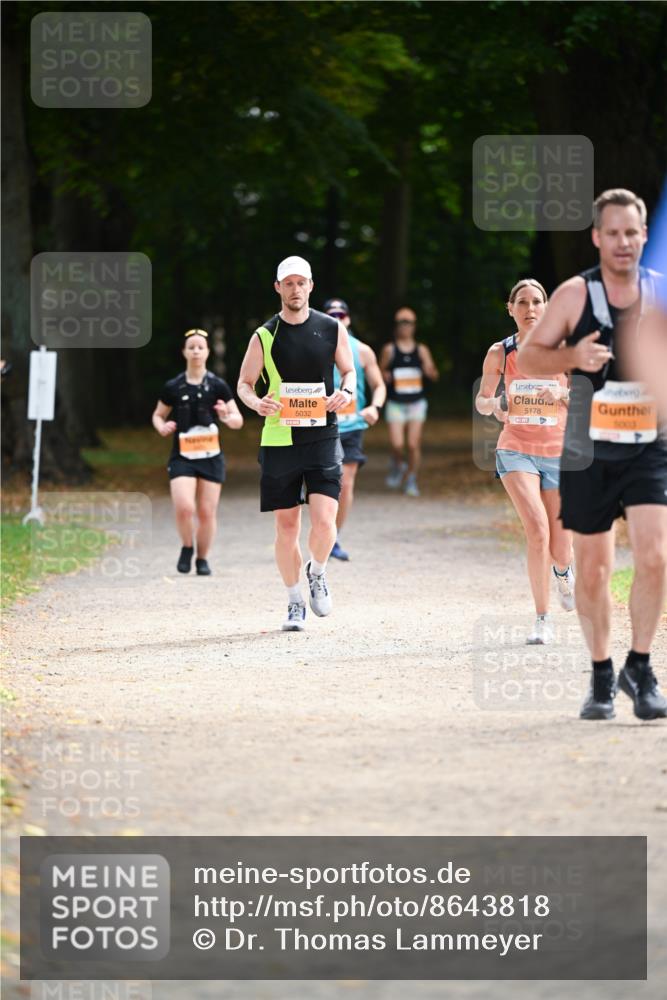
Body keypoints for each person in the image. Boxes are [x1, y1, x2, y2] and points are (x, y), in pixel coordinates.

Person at [519, 188, 667, 721]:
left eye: (633, 233)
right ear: (597, 237)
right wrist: (572, 355)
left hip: (649, 444)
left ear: (645, 236)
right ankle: (602, 675)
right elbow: (531, 360)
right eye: (613, 233)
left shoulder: (661, 292)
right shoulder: (574, 296)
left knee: (655, 555)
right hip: (587, 448)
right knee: (595, 569)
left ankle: (642, 667)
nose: (624, 242)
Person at [237, 256, 355, 631]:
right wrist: (257, 402)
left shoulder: (330, 328)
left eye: (300, 282)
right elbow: (244, 383)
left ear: (310, 286)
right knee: (287, 527)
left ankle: (316, 571)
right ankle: (293, 601)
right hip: (279, 437)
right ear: (277, 288)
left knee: (324, 521)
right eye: (287, 283)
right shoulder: (264, 335)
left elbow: (349, 371)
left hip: (322, 432)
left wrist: (346, 391)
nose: (294, 289)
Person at [476, 279, 575, 644]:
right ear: (511, 308)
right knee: (537, 530)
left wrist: (561, 392)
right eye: (522, 302)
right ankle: (542, 617)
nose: (530, 308)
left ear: (546, 308)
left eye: (537, 302)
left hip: (558, 452)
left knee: (560, 546)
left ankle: (564, 572)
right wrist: (495, 405)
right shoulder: (499, 353)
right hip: (515, 448)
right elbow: (483, 400)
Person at [152, 329, 243, 575]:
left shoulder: (217, 385)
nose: (195, 351)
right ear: (184, 352)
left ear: (207, 352)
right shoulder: (173, 386)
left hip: (211, 457)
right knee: (184, 507)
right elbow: (158, 415)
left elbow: (238, 420)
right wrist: (163, 426)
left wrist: (225, 415)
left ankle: (202, 559)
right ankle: (187, 546)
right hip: (182, 455)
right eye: (191, 347)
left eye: (200, 347)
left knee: (206, 511)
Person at [323, 297, 387, 561]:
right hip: (320, 426)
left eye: (341, 315)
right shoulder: (315, 346)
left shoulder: (362, 351)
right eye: (331, 316)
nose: (337, 320)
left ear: (348, 319)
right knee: (322, 484)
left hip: (351, 427)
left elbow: (380, 386)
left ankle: (333, 538)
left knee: (345, 484)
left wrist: (375, 407)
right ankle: (323, 530)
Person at [379, 307, 438, 496]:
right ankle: (398, 463)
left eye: (408, 322)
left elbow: (434, 375)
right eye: (401, 322)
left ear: (414, 326)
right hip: (396, 402)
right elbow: (377, 372)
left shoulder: (421, 350)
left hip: (416, 403)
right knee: (397, 444)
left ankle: (411, 479)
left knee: (413, 444)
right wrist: (385, 375)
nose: (405, 326)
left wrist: (430, 371)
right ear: (396, 326)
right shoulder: (390, 349)